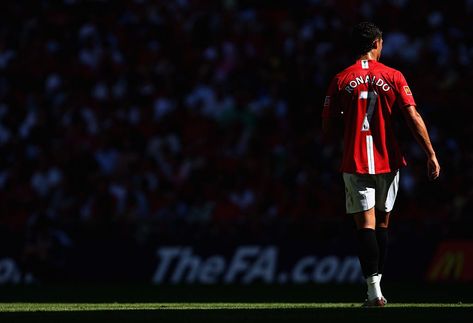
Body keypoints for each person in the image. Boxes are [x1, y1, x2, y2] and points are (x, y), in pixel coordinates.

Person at [322, 22, 440, 307]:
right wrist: (431, 152)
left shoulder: (340, 79)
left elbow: (327, 127)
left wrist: (344, 120)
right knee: (383, 223)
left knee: (365, 225)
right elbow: (412, 116)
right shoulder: (394, 75)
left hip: (355, 160)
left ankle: (373, 292)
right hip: (388, 160)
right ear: (376, 43)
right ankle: (377, 288)